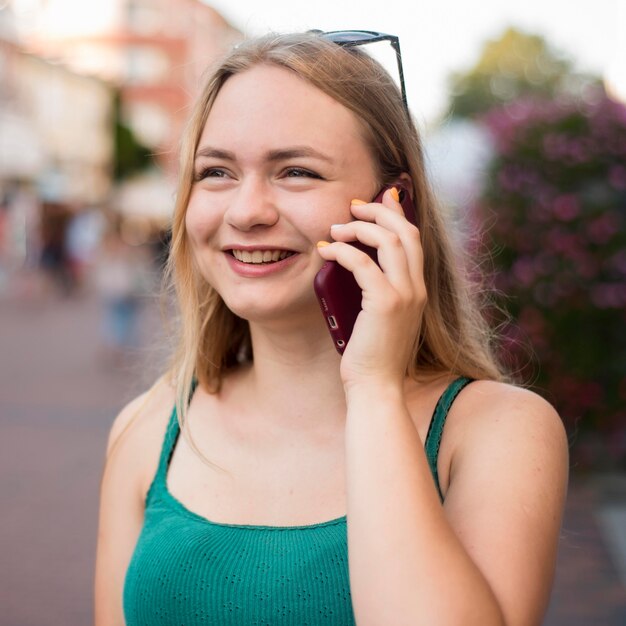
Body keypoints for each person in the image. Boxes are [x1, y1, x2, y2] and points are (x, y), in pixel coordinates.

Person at [94, 31, 569, 626]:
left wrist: (373, 388)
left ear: (394, 205)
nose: (246, 211)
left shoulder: (497, 432)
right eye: (216, 172)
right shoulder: (148, 426)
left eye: (295, 171)